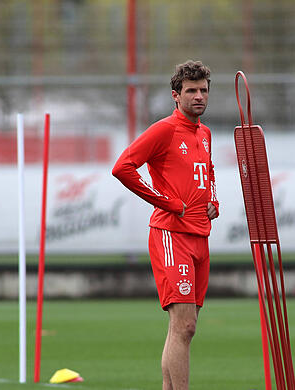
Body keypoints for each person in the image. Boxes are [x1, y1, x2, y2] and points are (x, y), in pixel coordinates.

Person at [112, 60, 219, 390]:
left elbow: (209, 171)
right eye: (191, 91)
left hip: (201, 235)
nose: (198, 96)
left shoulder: (205, 132)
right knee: (184, 325)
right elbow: (123, 167)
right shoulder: (164, 130)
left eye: (203, 90)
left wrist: (213, 199)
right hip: (171, 235)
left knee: (184, 327)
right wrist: (167, 202)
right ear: (176, 95)